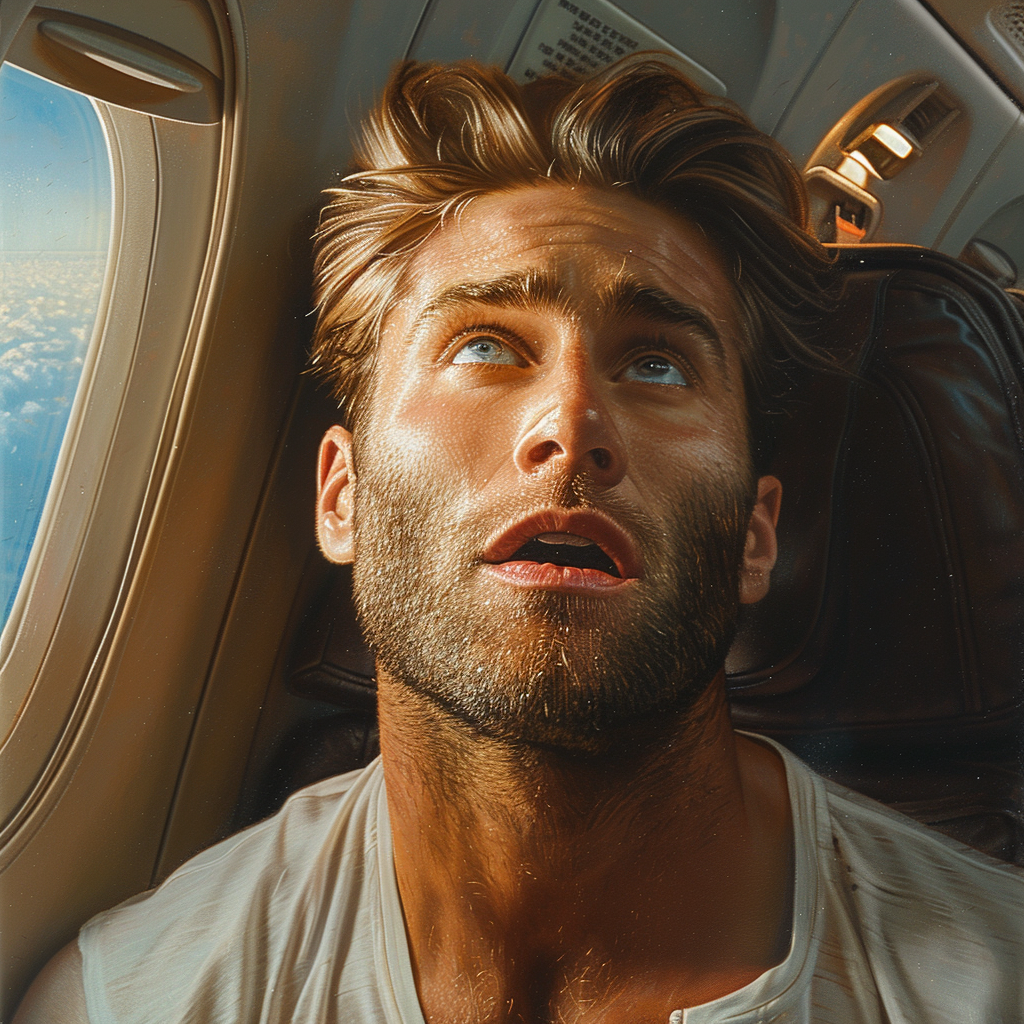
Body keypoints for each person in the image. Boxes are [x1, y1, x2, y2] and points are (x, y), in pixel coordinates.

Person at [15, 57, 1024, 1024]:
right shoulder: (134, 1001)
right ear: (342, 499)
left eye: (660, 365)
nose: (572, 423)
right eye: (486, 346)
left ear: (755, 536)